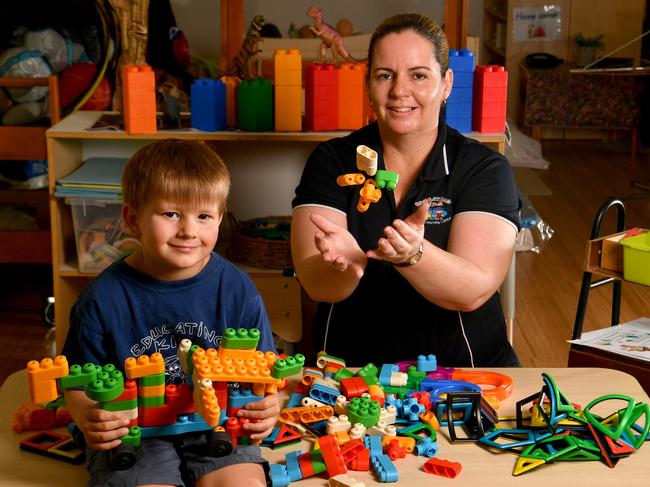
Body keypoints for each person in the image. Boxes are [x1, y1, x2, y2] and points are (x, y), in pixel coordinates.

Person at [291, 13, 521, 367]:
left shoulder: (482, 168)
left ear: (445, 85)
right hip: (350, 374)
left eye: (418, 76)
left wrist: (413, 256)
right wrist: (343, 265)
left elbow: (473, 289)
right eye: (385, 76)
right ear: (369, 85)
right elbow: (317, 286)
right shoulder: (332, 161)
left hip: (465, 374)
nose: (400, 91)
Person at [62, 139, 277, 487]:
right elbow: (76, 381)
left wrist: (270, 406)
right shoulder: (102, 299)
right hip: (136, 430)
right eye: (171, 214)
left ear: (220, 220)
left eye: (204, 216)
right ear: (134, 219)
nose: (189, 230)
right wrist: (88, 414)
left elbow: (265, 370)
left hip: (215, 420)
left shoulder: (237, 288)